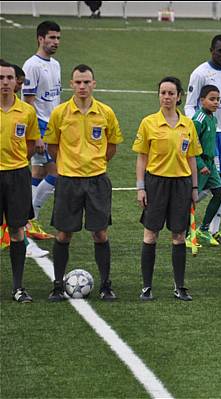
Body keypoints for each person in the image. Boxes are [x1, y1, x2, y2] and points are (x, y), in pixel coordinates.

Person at [44, 64, 123, 302]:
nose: (82, 86)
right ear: (71, 84)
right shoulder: (60, 113)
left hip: (97, 180)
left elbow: (112, 146)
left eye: (86, 82)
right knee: (63, 233)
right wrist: (70, 166)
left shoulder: (106, 112)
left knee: (100, 233)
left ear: (94, 84)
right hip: (69, 180)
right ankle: (58, 285)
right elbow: (52, 146)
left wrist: (95, 163)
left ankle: (105, 285)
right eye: (78, 82)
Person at [134, 76, 201, 301]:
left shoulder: (188, 124)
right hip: (156, 184)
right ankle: (146, 286)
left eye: (171, 93)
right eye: (163, 93)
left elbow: (191, 158)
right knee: (151, 234)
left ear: (179, 96)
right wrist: (141, 187)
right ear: (159, 95)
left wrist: (194, 188)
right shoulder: (149, 122)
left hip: (181, 184)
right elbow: (142, 158)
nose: (166, 97)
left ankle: (179, 286)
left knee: (179, 235)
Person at [185, 35, 221, 244]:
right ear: (211, 50)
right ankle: (187, 224)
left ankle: (212, 230)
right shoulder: (200, 73)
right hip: (207, 136)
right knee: (205, 183)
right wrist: (196, 131)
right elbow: (189, 105)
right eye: (220, 51)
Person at [0, 60, 41, 302]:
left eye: (8, 78)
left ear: (17, 82)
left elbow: (30, 144)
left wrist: (15, 163)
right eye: (0, 77)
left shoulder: (27, 111)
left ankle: (17, 287)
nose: (4, 82)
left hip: (17, 176)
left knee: (17, 230)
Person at [22, 20, 62, 240]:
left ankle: (23, 220)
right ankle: (30, 219)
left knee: (38, 173)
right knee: (57, 174)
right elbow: (28, 104)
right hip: (41, 127)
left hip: (54, 127)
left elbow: (55, 98)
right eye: (51, 37)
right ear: (40, 38)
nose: (55, 42)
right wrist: (35, 134)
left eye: (58, 38)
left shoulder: (55, 64)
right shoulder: (32, 66)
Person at [190, 85, 221, 247]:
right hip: (200, 165)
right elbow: (189, 145)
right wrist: (199, 163)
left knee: (219, 192)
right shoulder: (198, 120)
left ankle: (203, 229)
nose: (216, 102)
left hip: (210, 165)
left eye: (218, 99)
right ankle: (186, 235)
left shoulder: (213, 118)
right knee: (190, 200)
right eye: (212, 99)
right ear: (201, 100)